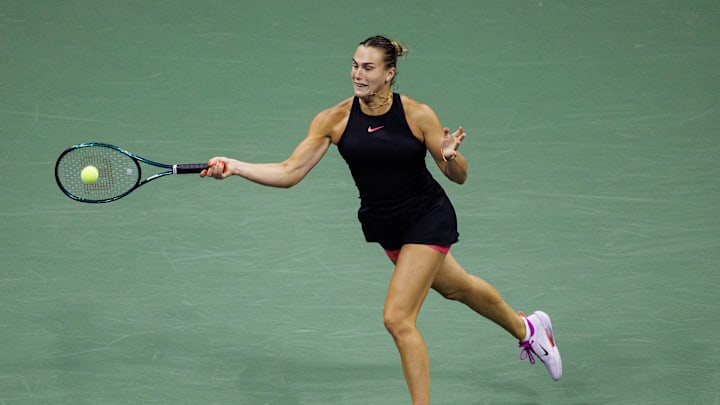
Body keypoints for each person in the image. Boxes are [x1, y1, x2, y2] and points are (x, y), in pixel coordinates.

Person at [201, 35, 562, 404]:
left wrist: (451, 156)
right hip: (387, 226)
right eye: (355, 65)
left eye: (368, 67)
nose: (358, 74)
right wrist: (235, 167)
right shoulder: (334, 120)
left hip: (427, 216)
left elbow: (459, 177)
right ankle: (530, 328)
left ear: (389, 73)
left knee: (397, 319)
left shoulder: (417, 114)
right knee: (458, 288)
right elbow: (290, 171)